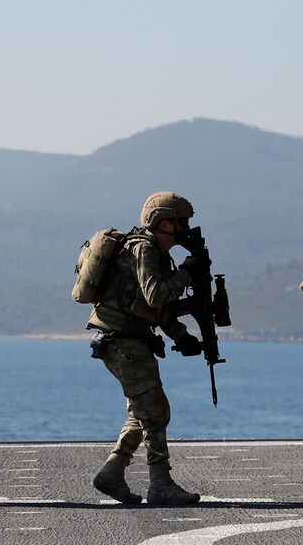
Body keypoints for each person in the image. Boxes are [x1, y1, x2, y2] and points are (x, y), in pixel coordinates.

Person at [86, 191, 207, 506]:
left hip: (127, 339)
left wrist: (181, 335)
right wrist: (187, 271)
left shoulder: (153, 250)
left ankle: (112, 472)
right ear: (166, 222)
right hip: (122, 341)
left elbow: (154, 308)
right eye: (183, 223)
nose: (187, 229)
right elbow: (156, 296)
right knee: (154, 412)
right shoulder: (145, 249)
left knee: (145, 411)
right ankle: (161, 484)